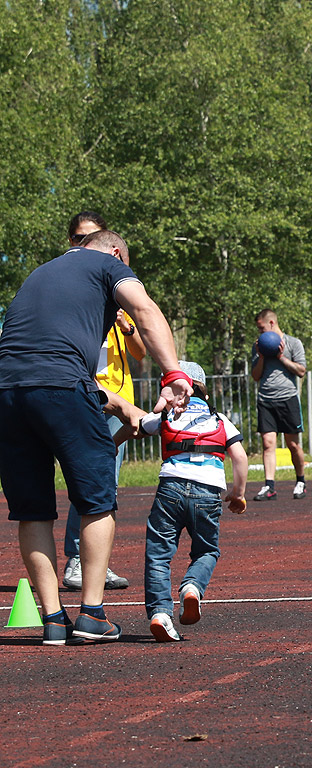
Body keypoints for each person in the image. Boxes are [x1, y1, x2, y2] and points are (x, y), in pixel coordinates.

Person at [0, 229, 192, 645]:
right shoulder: (109, 265)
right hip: (62, 388)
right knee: (96, 500)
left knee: (33, 511)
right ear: (118, 253)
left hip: (6, 393)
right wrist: (173, 373)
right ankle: (91, 615)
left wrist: (124, 407)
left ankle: (52, 620)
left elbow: (43, 366)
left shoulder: (41, 272)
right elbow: (145, 310)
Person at [116, 362, 247, 642]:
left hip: (171, 487)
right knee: (207, 551)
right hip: (209, 492)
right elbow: (240, 456)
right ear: (204, 393)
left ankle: (161, 613)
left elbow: (136, 427)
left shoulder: (168, 415)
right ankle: (192, 588)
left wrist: (109, 443)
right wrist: (237, 493)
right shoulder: (220, 419)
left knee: (159, 554)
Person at [62, 212, 145, 592]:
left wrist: (126, 324)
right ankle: (77, 560)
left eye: (91, 238)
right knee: (89, 478)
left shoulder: (118, 289)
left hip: (119, 399)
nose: (85, 245)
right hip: (85, 393)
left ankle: (96, 564)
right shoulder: (69, 284)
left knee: (105, 483)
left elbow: (141, 352)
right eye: (79, 238)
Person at [251, 309, 307, 501]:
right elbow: (256, 376)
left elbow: (301, 371)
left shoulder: (293, 343)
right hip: (265, 399)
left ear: (272, 323)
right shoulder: (258, 346)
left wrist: (281, 357)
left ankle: (300, 481)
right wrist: (262, 356)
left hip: (288, 398)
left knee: (292, 444)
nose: (260, 333)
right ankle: (269, 486)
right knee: (268, 444)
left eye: (261, 328)